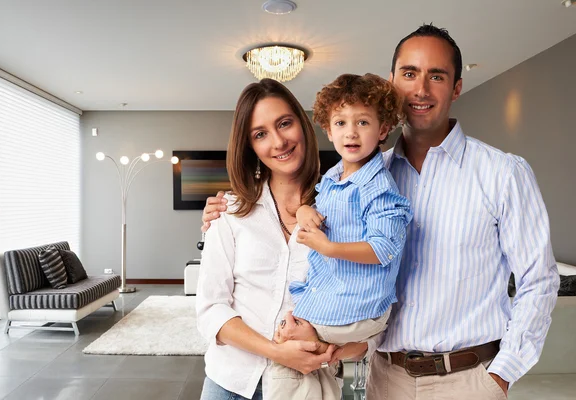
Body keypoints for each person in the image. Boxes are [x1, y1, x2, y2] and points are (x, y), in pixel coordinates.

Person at [202, 24, 559, 400]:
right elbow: (354, 287)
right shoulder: (353, 182)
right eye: (409, 74)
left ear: (456, 87)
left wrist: (501, 375)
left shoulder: (502, 172)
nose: (420, 89)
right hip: (386, 379)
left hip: (469, 379)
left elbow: (539, 280)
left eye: (436, 76)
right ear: (392, 83)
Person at [268, 73, 412, 400]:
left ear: (383, 130)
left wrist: (328, 247)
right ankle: (322, 365)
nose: (351, 132)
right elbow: (319, 207)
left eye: (363, 122)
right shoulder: (334, 175)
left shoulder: (378, 188)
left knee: (285, 351)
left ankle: (318, 348)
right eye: (341, 122)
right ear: (328, 130)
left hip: (353, 308)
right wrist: (305, 211)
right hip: (336, 300)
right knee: (308, 366)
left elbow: (384, 247)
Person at [195, 78, 340, 400]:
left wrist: (331, 350)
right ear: (251, 147)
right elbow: (211, 309)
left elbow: (357, 297)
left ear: (302, 125)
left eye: (285, 123)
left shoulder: (342, 211)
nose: (278, 142)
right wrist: (278, 352)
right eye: (260, 134)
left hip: (305, 387)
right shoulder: (229, 211)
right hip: (230, 384)